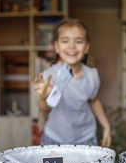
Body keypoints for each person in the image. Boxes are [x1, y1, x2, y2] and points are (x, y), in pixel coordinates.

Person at [33, 18, 111, 147]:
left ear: (86, 47)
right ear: (57, 47)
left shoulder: (92, 75)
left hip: (85, 138)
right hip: (54, 138)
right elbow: (44, 108)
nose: (72, 46)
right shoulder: (49, 76)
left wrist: (106, 126)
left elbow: (94, 100)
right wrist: (43, 97)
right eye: (65, 41)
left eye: (78, 41)